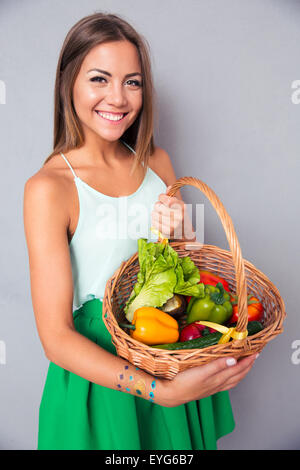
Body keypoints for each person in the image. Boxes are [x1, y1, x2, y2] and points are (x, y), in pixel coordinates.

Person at [23, 12, 258, 450]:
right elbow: (55, 339)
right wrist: (159, 392)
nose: (118, 98)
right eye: (99, 79)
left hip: (166, 351)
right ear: (68, 82)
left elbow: (186, 276)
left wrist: (182, 231)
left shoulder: (158, 163)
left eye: (132, 82)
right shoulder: (48, 189)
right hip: (107, 382)